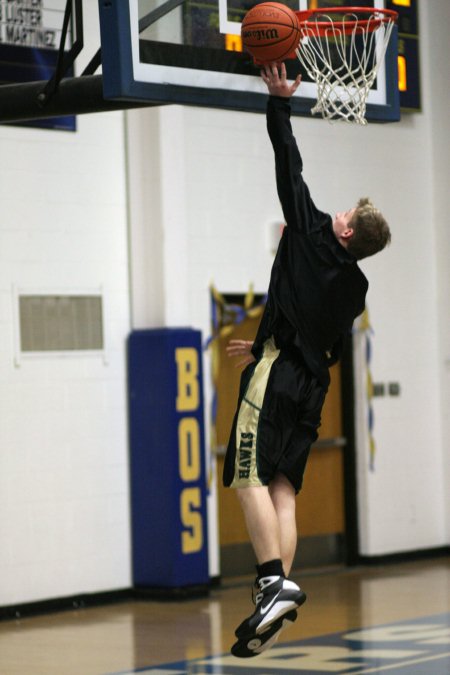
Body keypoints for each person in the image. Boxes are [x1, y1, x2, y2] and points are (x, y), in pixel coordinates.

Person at [224, 63, 391, 659]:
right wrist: (270, 340)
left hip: (279, 376)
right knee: (284, 490)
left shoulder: (314, 232)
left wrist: (278, 101)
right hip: (311, 386)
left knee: (246, 476)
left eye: (344, 213)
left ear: (347, 230)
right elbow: (327, 338)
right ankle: (278, 597)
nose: (336, 213)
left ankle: (272, 582)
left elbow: (286, 165)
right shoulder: (356, 289)